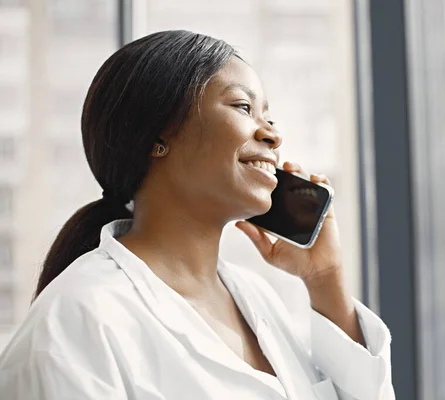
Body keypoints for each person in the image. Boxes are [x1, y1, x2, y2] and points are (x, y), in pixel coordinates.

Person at [0, 30, 394, 400]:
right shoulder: (78, 319)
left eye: (269, 118)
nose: (273, 136)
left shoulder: (256, 299)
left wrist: (325, 281)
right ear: (159, 136)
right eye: (243, 107)